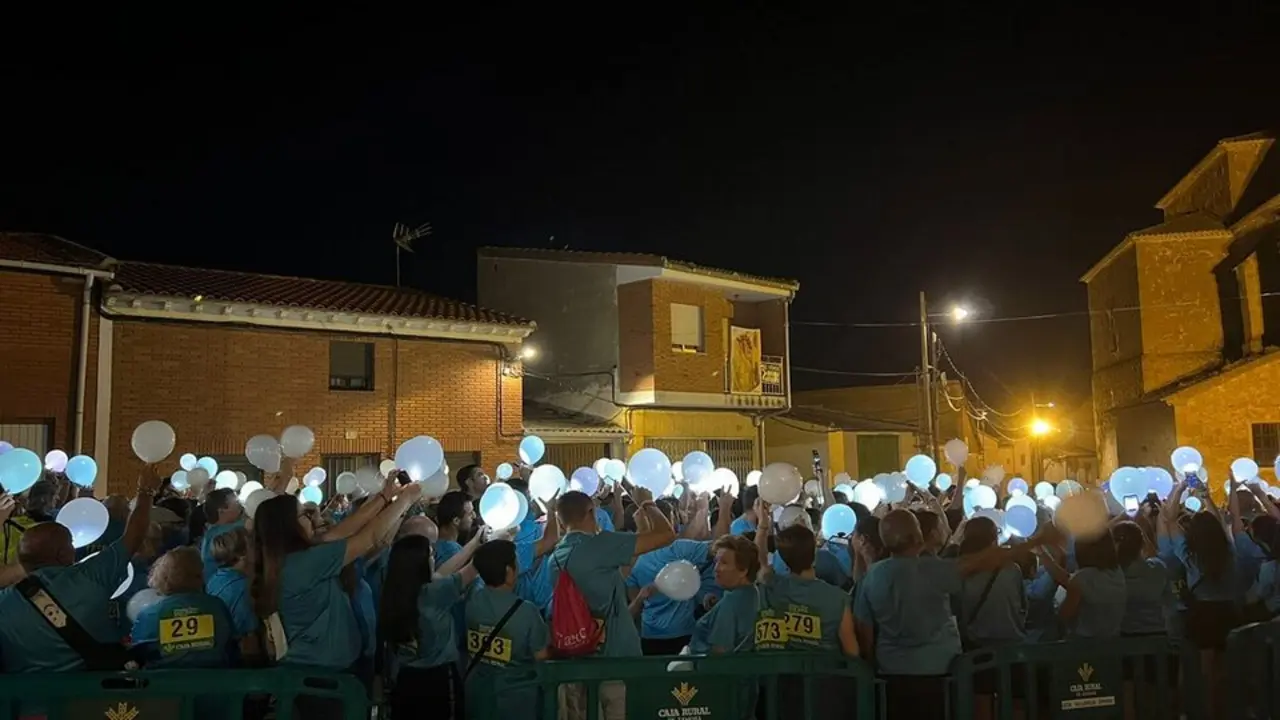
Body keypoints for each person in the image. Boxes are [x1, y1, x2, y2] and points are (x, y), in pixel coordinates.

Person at [251, 474, 420, 720]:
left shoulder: (283, 559)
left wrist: (385, 495)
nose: (310, 519)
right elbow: (369, 537)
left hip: (306, 668)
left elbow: (344, 529)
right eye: (304, 515)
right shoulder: (305, 563)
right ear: (288, 527)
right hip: (324, 674)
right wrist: (405, 500)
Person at [853, 509, 1047, 720]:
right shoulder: (934, 570)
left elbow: (865, 630)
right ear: (917, 536)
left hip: (891, 672)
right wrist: (1036, 541)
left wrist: (873, 664)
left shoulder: (872, 576)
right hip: (940, 670)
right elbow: (986, 559)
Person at [0, 464, 159, 674]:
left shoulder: (5, 602)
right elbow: (134, 536)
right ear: (62, 555)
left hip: (24, 702)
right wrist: (145, 492)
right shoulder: (91, 577)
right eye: (70, 543)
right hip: (87, 699)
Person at [550, 484, 677, 720]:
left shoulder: (556, 557)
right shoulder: (599, 544)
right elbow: (666, 535)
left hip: (575, 659)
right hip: (615, 658)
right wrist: (647, 503)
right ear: (590, 513)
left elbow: (616, 577)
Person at [380, 532, 481, 720]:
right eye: (431, 554)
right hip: (439, 680)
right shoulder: (434, 593)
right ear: (420, 564)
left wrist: (475, 542)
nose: (434, 558)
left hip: (405, 680)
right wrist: (491, 543)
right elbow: (472, 570)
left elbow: (443, 573)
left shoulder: (392, 594)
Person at [464, 540, 550, 720]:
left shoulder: (472, 601)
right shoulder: (526, 611)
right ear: (509, 572)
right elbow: (541, 656)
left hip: (479, 697)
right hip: (517, 701)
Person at [131, 546, 236, 668]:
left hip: (163, 683)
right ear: (199, 574)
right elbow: (230, 645)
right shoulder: (217, 606)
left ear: (164, 576)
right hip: (214, 680)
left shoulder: (149, 614)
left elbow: (137, 653)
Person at [206, 527, 260, 659]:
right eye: (252, 545)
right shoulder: (242, 588)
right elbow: (249, 637)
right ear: (242, 555)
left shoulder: (215, 579)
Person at [1, 480, 58, 565]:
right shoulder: (48, 528)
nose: (58, 498)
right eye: (54, 495)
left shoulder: (13, 521)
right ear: (43, 498)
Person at [200, 488, 243, 582]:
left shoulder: (211, 533)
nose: (240, 505)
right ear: (221, 511)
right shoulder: (224, 532)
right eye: (236, 502)